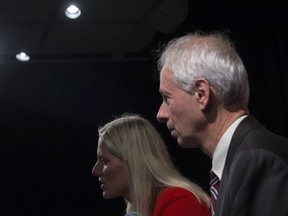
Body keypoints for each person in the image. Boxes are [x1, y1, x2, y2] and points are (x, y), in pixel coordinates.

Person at [156, 30, 288, 216]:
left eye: (167, 98)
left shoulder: (256, 160)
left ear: (201, 94)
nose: (161, 114)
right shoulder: (241, 158)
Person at [92, 113, 211, 216]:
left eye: (104, 161)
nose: (95, 170)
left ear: (133, 161)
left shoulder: (182, 202)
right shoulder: (144, 209)